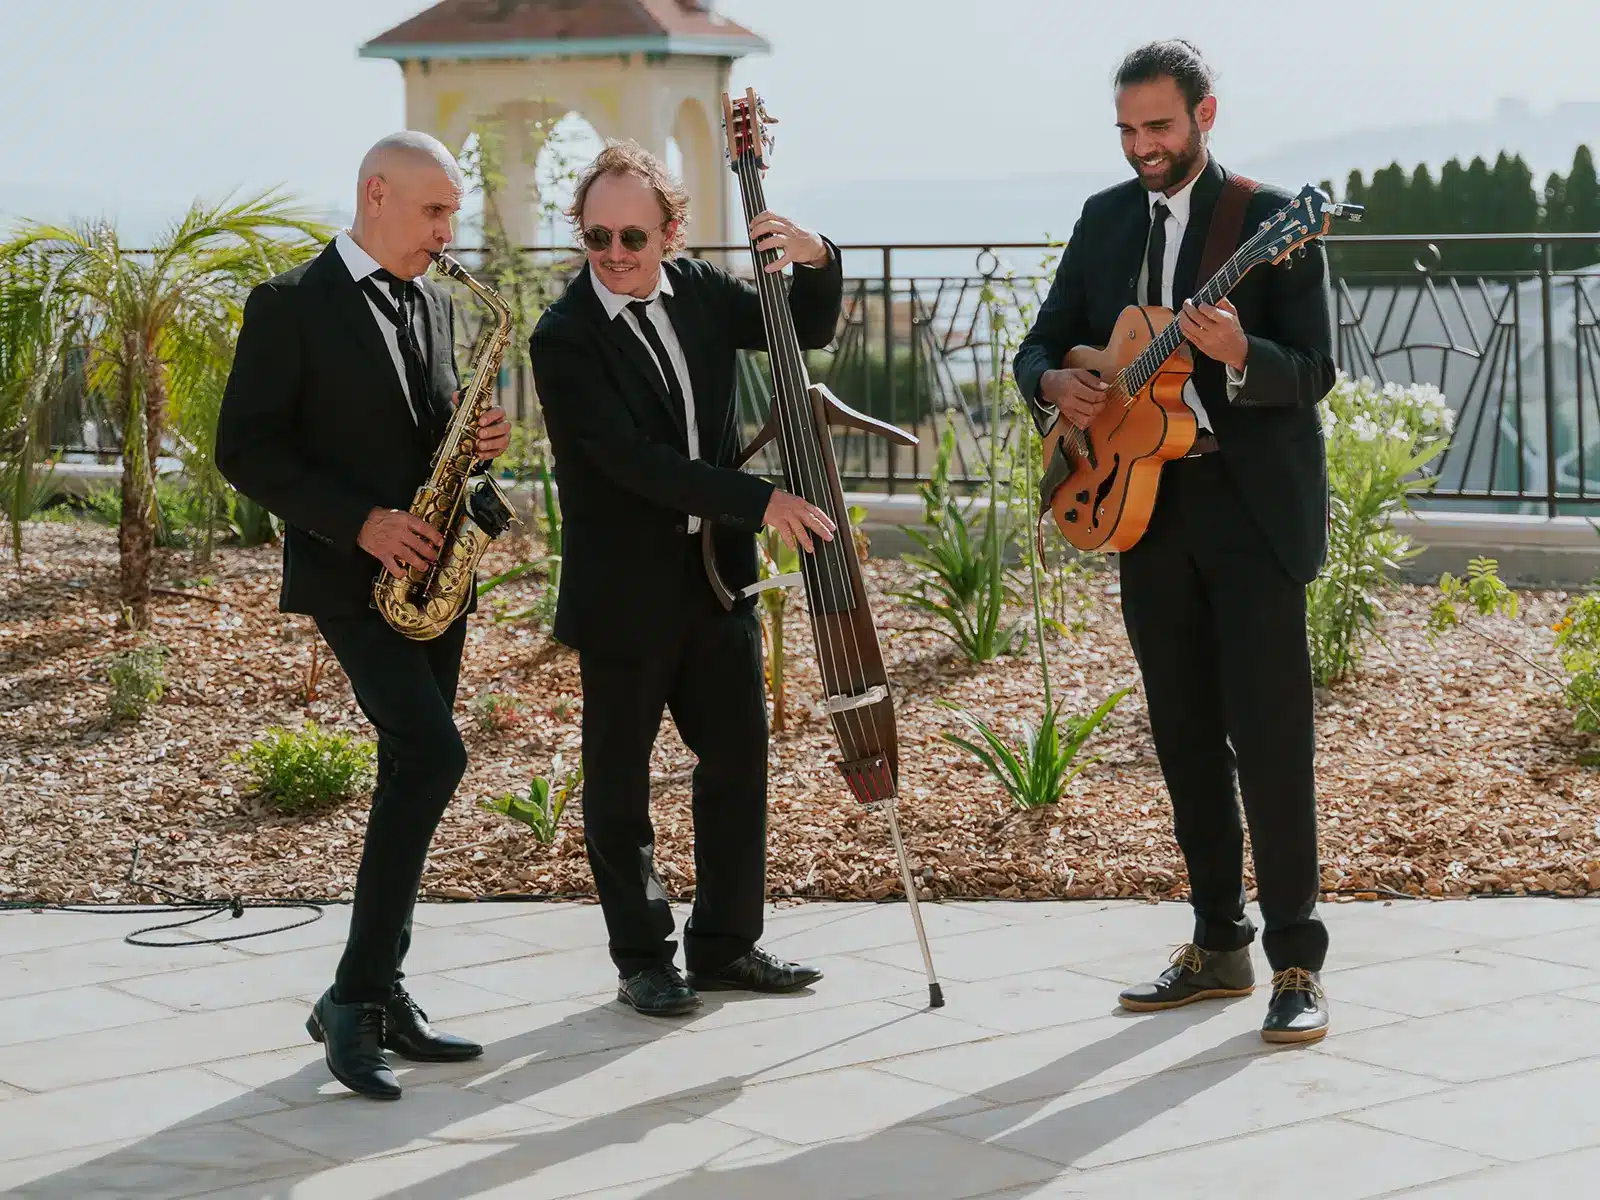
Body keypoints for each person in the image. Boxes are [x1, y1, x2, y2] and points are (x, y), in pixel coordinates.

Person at [1013, 40, 1335, 1044]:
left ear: (1204, 115)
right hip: (1140, 509)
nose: (1141, 147)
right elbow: (1045, 336)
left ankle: (1294, 961)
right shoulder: (1105, 219)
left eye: (1157, 126)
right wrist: (1051, 385)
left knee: (1271, 740)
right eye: (1126, 129)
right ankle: (1215, 943)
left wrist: (1242, 354)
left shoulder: (1273, 221)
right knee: (1184, 734)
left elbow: (1315, 371)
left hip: (1250, 511)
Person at [216, 131, 512, 1098]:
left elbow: (422, 432)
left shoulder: (428, 301)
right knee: (434, 756)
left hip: (434, 580)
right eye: (434, 212)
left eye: (453, 213)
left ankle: (382, 990)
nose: (447, 231)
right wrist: (362, 525)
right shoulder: (288, 305)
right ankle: (351, 997)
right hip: (352, 578)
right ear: (375, 194)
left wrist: (474, 446)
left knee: (409, 769)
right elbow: (246, 449)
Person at [528, 141, 840, 1017]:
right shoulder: (563, 338)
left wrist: (816, 258)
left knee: (738, 761)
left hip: (715, 577)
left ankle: (727, 945)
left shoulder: (698, 291)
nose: (616, 254)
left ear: (671, 231)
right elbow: (632, 462)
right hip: (625, 590)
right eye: (597, 238)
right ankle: (642, 959)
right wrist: (761, 498)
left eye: (633, 235)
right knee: (621, 787)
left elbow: (801, 328)